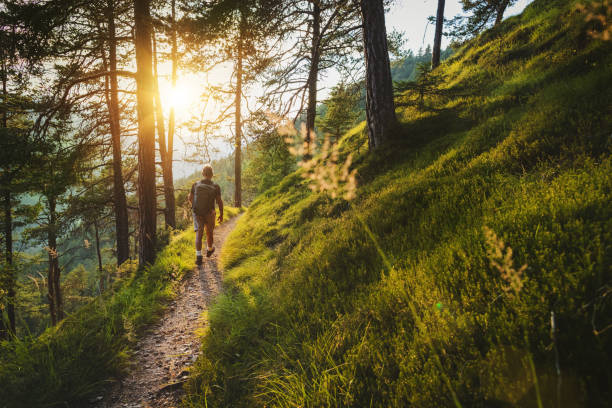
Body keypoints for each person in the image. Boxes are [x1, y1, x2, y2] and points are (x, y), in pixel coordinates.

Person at [188, 164, 223, 265]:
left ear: (203, 174)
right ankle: (209, 249)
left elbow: (190, 198)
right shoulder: (215, 186)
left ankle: (198, 256)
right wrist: (221, 214)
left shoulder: (195, 185)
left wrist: (195, 207)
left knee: (199, 233)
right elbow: (219, 201)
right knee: (209, 231)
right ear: (212, 174)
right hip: (210, 212)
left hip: (197, 212)